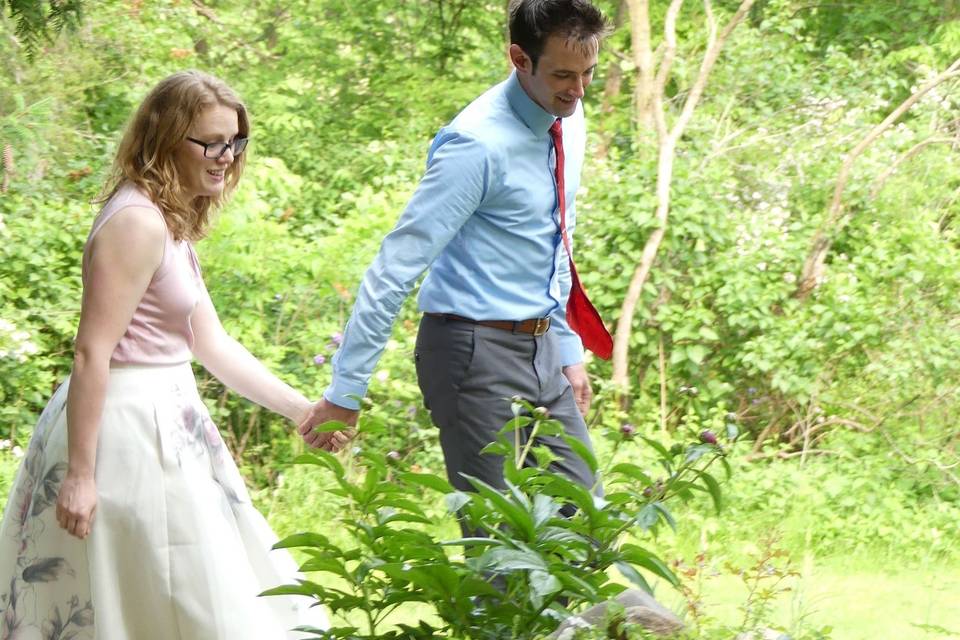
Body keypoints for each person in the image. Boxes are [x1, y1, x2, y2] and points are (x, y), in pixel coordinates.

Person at [0, 71, 340, 639]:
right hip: (126, 432)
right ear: (163, 139)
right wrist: (81, 475)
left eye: (234, 142)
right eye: (209, 142)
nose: (226, 156)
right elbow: (91, 353)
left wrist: (302, 410)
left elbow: (211, 343)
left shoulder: (167, 219)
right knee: (160, 594)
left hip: (169, 419)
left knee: (187, 590)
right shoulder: (135, 222)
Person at [300, 0, 611, 501]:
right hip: (472, 352)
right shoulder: (475, 145)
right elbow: (394, 270)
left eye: (589, 73)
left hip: (543, 345)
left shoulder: (568, 118)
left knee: (588, 523)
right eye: (563, 75)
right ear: (519, 58)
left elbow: (555, 241)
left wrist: (567, 349)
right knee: (498, 544)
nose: (577, 90)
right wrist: (346, 392)